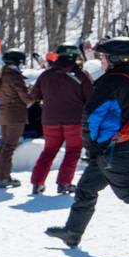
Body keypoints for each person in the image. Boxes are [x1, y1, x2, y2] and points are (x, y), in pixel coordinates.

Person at [45, 36, 129, 256]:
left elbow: (92, 116)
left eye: (104, 56)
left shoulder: (111, 82)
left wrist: (92, 147)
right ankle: (72, 231)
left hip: (112, 149)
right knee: (86, 188)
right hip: (122, 144)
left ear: (115, 58)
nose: (101, 60)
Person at [29, 44, 94, 195]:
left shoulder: (46, 75)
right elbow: (91, 97)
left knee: (49, 151)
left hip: (50, 120)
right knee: (73, 151)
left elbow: (33, 96)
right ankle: (64, 183)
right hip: (74, 119)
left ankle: (37, 183)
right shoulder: (81, 75)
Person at [0, 50, 35, 189]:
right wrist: (36, 94)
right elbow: (26, 98)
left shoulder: (2, 75)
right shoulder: (15, 76)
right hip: (15, 115)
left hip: (4, 113)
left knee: (4, 145)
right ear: (18, 62)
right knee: (9, 147)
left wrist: (6, 99)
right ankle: (2, 178)